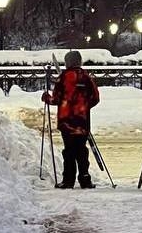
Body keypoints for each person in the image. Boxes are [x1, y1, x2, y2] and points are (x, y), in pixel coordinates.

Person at [42, 50, 100, 189]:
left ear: (67, 62)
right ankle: (85, 179)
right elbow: (95, 98)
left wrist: (46, 98)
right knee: (81, 150)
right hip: (82, 121)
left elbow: (56, 99)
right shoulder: (86, 77)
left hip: (67, 121)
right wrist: (84, 107)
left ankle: (68, 180)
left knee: (69, 151)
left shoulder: (63, 78)